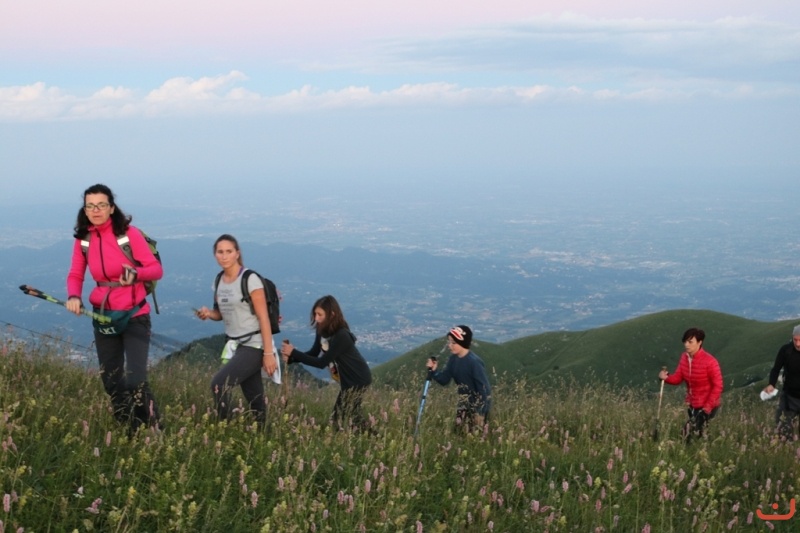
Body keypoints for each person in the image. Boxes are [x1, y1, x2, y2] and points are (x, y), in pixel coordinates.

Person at [66, 184, 163, 435]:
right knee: (111, 380)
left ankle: (154, 431)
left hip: (134, 315)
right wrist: (74, 296)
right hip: (103, 316)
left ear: (111, 208)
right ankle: (129, 432)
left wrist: (135, 274)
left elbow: (155, 269)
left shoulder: (128, 235)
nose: (95, 210)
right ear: (85, 210)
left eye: (101, 205)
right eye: (90, 206)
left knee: (136, 381)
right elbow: (76, 273)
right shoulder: (84, 240)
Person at [195, 234, 278, 427]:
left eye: (229, 251)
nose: (224, 256)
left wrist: (268, 354)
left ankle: (226, 426)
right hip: (235, 344)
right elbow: (221, 314)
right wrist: (208, 314)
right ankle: (263, 433)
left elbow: (263, 318)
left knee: (219, 384)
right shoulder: (219, 280)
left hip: (254, 345)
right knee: (254, 397)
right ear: (215, 255)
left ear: (237, 253)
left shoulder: (250, 279)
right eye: (220, 252)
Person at [281, 295, 373, 432]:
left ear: (332, 315)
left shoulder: (342, 335)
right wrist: (292, 359)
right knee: (349, 415)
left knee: (343, 416)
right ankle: (371, 436)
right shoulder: (322, 330)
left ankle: (371, 436)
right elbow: (313, 353)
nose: (316, 318)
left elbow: (321, 362)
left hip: (358, 378)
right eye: (315, 314)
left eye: (320, 315)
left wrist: (293, 352)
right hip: (348, 379)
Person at [658, 327, 723, 442]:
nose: (686, 345)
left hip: (708, 405)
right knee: (696, 436)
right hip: (693, 404)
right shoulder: (684, 357)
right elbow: (678, 378)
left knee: (687, 435)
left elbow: (718, 386)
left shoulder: (710, 362)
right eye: (685, 341)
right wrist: (666, 378)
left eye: (690, 342)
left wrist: (707, 408)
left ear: (699, 342)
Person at [426, 325, 492, 434]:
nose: (449, 345)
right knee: (459, 435)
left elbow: (484, 389)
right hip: (463, 406)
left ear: (462, 342)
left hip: (477, 408)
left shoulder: (474, 362)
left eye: (453, 343)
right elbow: (444, 380)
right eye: (449, 342)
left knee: (476, 436)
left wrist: (480, 413)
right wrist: (434, 371)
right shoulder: (453, 359)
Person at [762, 324, 800, 439]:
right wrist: (771, 384)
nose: (798, 343)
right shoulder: (786, 350)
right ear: (792, 337)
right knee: (783, 429)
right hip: (789, 397)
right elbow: (776, 369)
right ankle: (785, 445)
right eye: (795, 340)